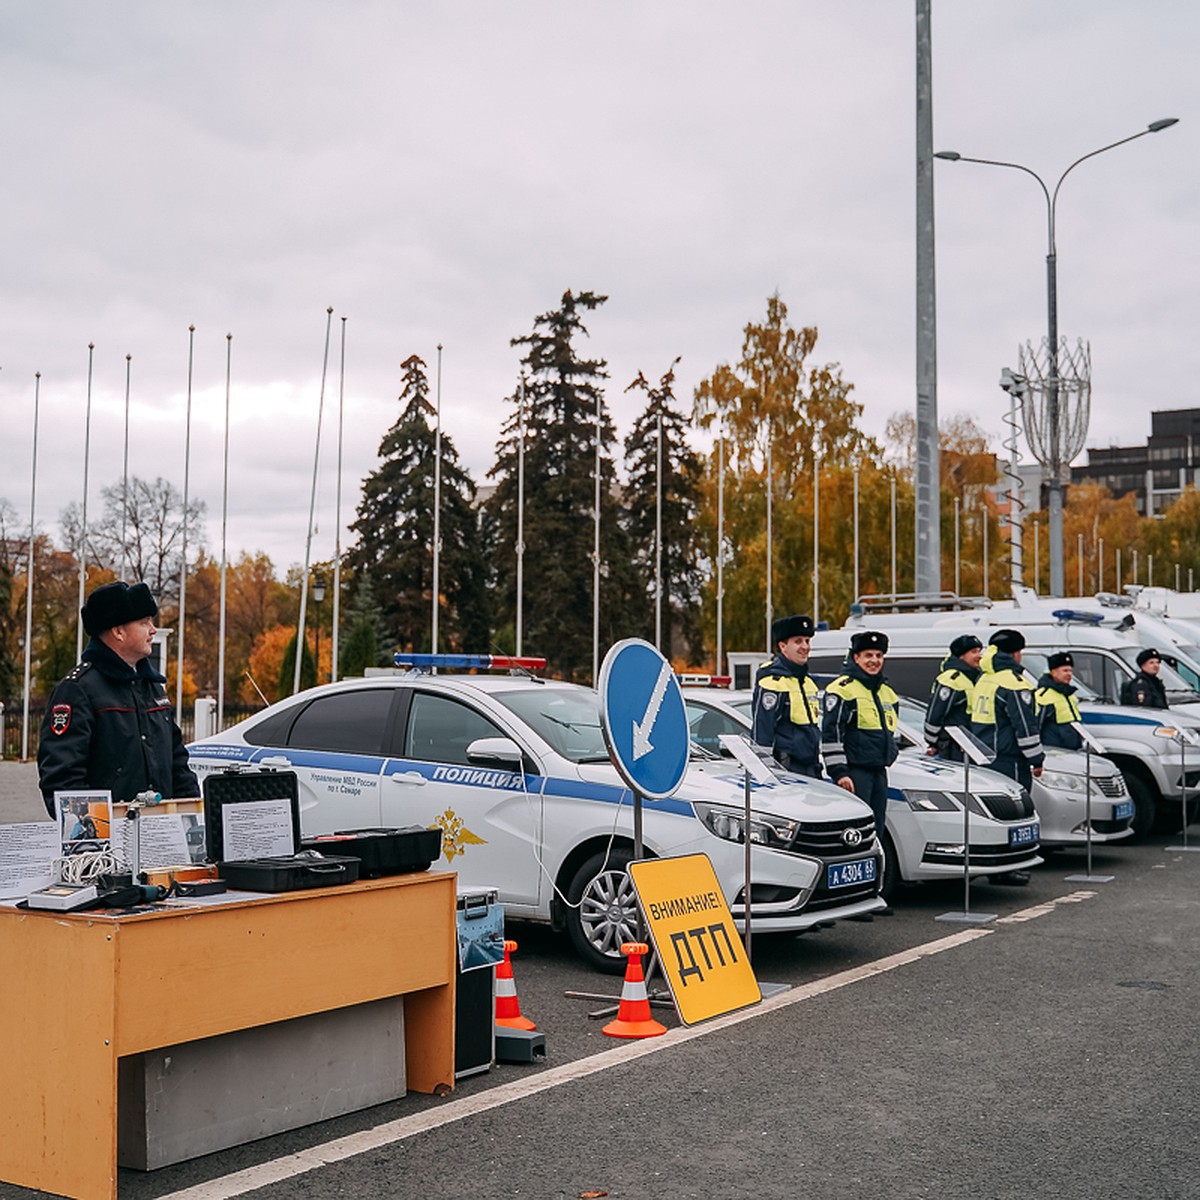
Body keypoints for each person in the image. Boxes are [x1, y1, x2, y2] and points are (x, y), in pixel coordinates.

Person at [38, 581, 200, 819]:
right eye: (144, 622)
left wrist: (189, 820)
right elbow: (62, 778)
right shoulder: (77, 690)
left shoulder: (151, 686)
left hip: (161, 836)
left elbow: (177, 761)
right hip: (107, 844)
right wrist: (94, 839)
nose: (153, 630)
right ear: (118, 632)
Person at [820, 630, 900, 832]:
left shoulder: (886, 692)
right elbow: (832, 734)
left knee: (877, 828)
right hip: (854, 773)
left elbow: (892, 731)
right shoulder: (842, 689)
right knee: (855, 829)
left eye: (879, 656)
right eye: (868, 655)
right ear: (856, 658)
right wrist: (839, 773)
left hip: (879, 771)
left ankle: (876, 864)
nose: (874, 660)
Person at [970, 628, 1044, 792]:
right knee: (1016, 809)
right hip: (1010, 760)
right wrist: (1036, 760)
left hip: (983, 756)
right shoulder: (1013, 683)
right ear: (1014, 654)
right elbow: (1024, 725)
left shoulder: (983, 678)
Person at [751, 613, 822, 777]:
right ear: (783, 646)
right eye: (798, 641)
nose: (805, 647)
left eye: (807, 641)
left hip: (810, 768)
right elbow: (762, 733)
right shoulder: (772, 682)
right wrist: (767, 774)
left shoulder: (807, 682)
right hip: (786, 768)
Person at [923, 633, 984, 760]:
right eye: (974, 652)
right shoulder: (951, 679)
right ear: (961, 655)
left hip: (969, 746)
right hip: (952, 747)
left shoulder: (974, 677)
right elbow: (935, 714)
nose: (979, 656)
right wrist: (932, 742)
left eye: (979, 651)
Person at [1036, 651, 1084, 751]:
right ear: (1053, 672)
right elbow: (1037, 726)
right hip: (1055, 751)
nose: (1069, 674)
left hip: (1073, 749)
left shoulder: (1068, 693)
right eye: (1065, 671)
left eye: (1070, 671)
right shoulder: (1044, 695)